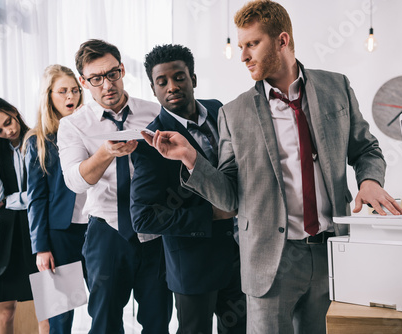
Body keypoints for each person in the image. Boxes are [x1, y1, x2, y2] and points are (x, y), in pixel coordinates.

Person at [142, 1, 402, 333]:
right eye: (241, 46)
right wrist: (190, 158)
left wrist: (369, 180)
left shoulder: (336, 88)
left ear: (283, 40)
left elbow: (366, 148)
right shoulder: (234, 113)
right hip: (270, 263)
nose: (243, 56)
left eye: (252, 44)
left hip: (331, 255)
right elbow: (228, 198)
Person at [57, 39, 172, 334]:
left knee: (158, 319)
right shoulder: (73, 125)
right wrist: (105, 153)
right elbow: (75, 182)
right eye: (96, 79)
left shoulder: (155, 112)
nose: (106, 85)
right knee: (105, 320)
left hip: (156, 230)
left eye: (112, 74)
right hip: (106, 233)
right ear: (84, 81)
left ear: (121, 70)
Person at [131, 44, 246, 334]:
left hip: (242, 254)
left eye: (179, 77)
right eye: (162, 82)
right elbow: (143, 218)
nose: (172, 86)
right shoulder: (151, 145)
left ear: (193, 78)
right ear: (153, 89)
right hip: (193, 265)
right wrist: (211, 215)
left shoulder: (221, 111)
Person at [23, 64, 88, 334]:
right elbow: (35, 199)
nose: (71, 96)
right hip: (60, 234)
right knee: (60, 316)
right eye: (62, 91)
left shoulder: (92, 129)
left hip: (97, 227)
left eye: (75, 89)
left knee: (106, 303)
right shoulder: (37, 141)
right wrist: (41, 247)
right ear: (49, 96)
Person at [0, 97, 48, 334]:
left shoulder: (41, 139)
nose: (8, 131)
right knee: (4, 312)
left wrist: (10, 201)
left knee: (48, 309)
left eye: (8, 122)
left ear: (14, 111)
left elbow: (44, 194)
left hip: (38, 228)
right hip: (5, 235)